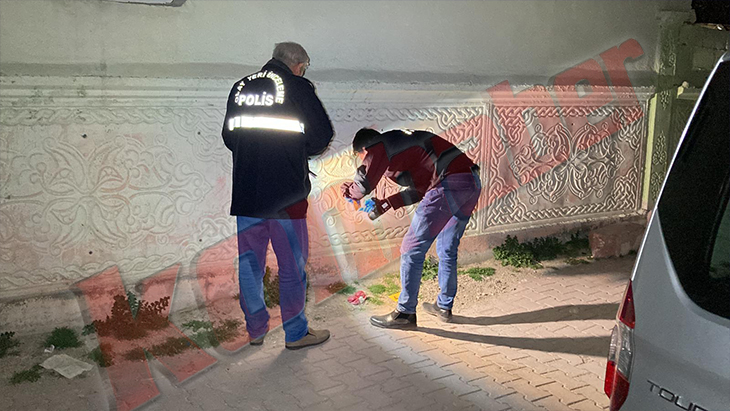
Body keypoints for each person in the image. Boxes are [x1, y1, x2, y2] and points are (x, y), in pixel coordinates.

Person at [222, 42, 334, 349]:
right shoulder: (297, 87)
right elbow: (321, 136)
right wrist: (294, 151)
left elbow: (229, 137)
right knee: (291, 267)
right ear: (298, 65)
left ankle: (255, 330)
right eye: (304, 67)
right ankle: (296, 334)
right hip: (286, 196)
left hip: (247, 193)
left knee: (250, 266)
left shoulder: (241, 86)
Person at [341, 128, 481, 329]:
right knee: (447, 248)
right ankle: (444, 307)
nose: (364, 160)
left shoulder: (378, 145)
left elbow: (364, 185)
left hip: (448, 183)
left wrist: (349, 192)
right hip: (470, 182)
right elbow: (421, 190)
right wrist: (387, 204)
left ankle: (405, 313)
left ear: (364, 149)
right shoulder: (404, 146)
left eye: (361, 157)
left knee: (411, 247)